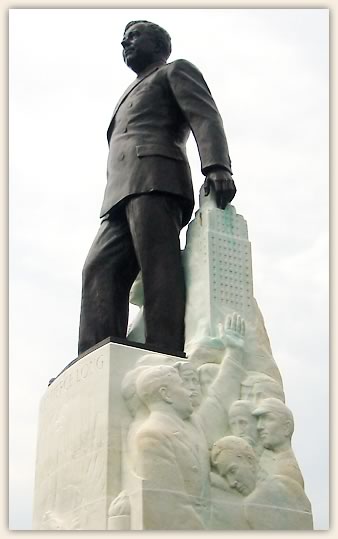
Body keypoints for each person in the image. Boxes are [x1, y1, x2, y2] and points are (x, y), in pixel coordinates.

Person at [78, 20, 236, 356]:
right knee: (98, 268)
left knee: (157, 262)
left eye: (134, 37)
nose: (125, 43)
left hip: (157, 176)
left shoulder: (174, 71)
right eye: (123, 40)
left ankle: (163, 349)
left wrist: (217, 165)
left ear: (159, 44)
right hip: (119, 191)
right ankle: (95, 355)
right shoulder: (127, 92)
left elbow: (205, 117)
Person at [132, 364, 210, 528]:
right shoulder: (152, 436)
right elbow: (172, 505)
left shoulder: (188, 429)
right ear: (165, 394)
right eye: (182, 385)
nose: (189, 392)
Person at [252, 397, 304, 487]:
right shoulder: (266, 461)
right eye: (259, 420)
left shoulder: (288, 471)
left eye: (268, 419)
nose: (259, 426)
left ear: (286, 427)